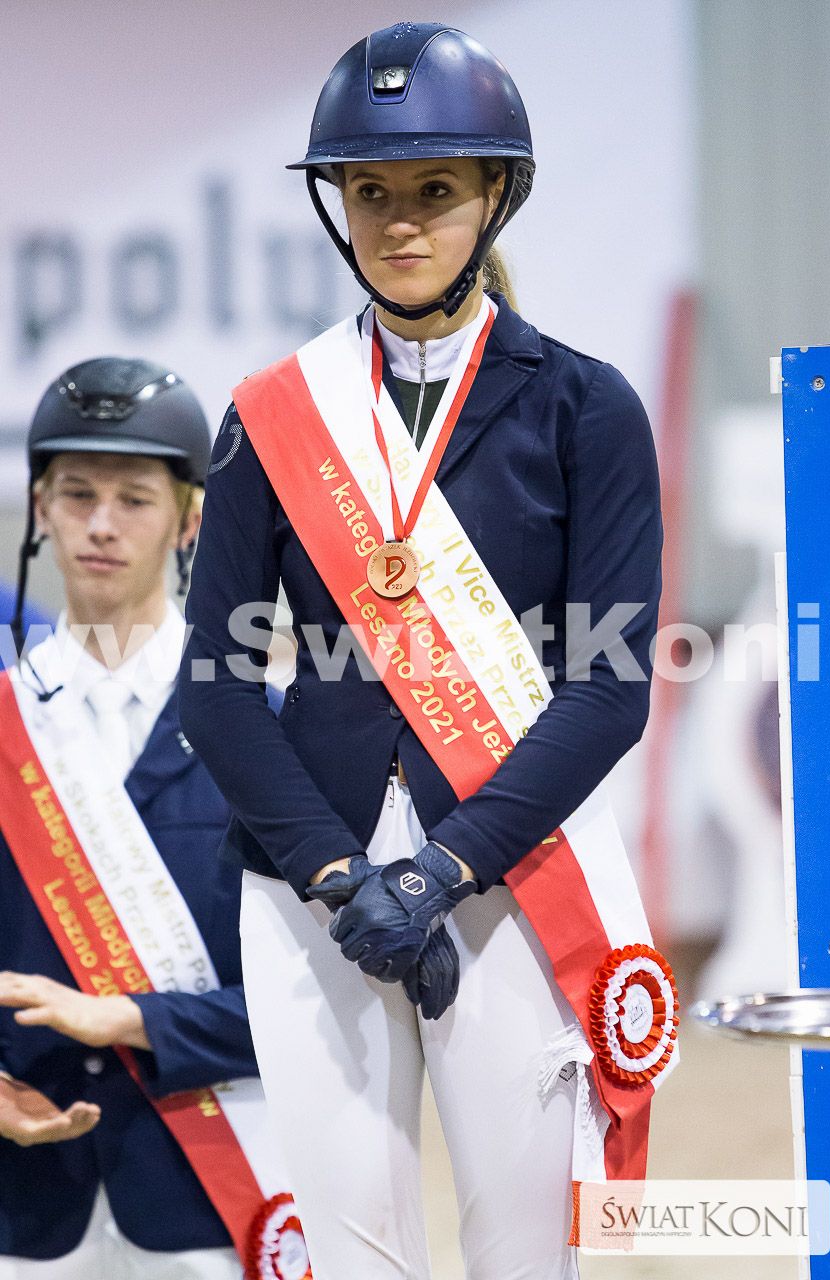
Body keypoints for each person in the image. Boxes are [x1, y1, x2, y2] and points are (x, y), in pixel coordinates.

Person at [180, 22, 678, 1280]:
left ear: (494, 193)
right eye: (371, 193)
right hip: (311, 890)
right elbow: (217, 686)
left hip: (511, 866)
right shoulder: (270, 416)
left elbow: (610, 683)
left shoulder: (584, 406)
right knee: (351, 1255)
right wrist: (340, 877)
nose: (400, 221)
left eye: (435, 189)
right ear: (338, 206)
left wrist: (444, 868)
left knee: (526, 1248)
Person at [0, 358, 302, 1280]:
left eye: (133, 499)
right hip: (22, 1209)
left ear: (189, 520)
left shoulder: (271, 733)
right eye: (76, 494)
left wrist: (133, 1019)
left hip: (214, 1202)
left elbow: (322, 1000)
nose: (100, 523)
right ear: (41, 508)